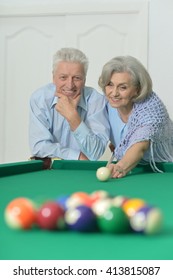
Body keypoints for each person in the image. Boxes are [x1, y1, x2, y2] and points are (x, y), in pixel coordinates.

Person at [29, 47, 110, 166]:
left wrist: (72, 116)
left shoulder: (96, 101)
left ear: (84, 79)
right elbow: (39, 146)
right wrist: (77, 156)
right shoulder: (40, 99)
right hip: (50, 171)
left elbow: (95, 152)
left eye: (77, 78)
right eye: (63, 77)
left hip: (83, 172)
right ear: (53, 78)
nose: (70, 85)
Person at [98, 55, 173, 178]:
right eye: (110, 84)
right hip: (135, 170)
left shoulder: (151, 108)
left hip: (164, 172)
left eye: (123, 87)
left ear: (137, 90)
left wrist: (120, 166)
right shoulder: (105, 104)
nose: (114, 93)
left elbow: (140, 145)